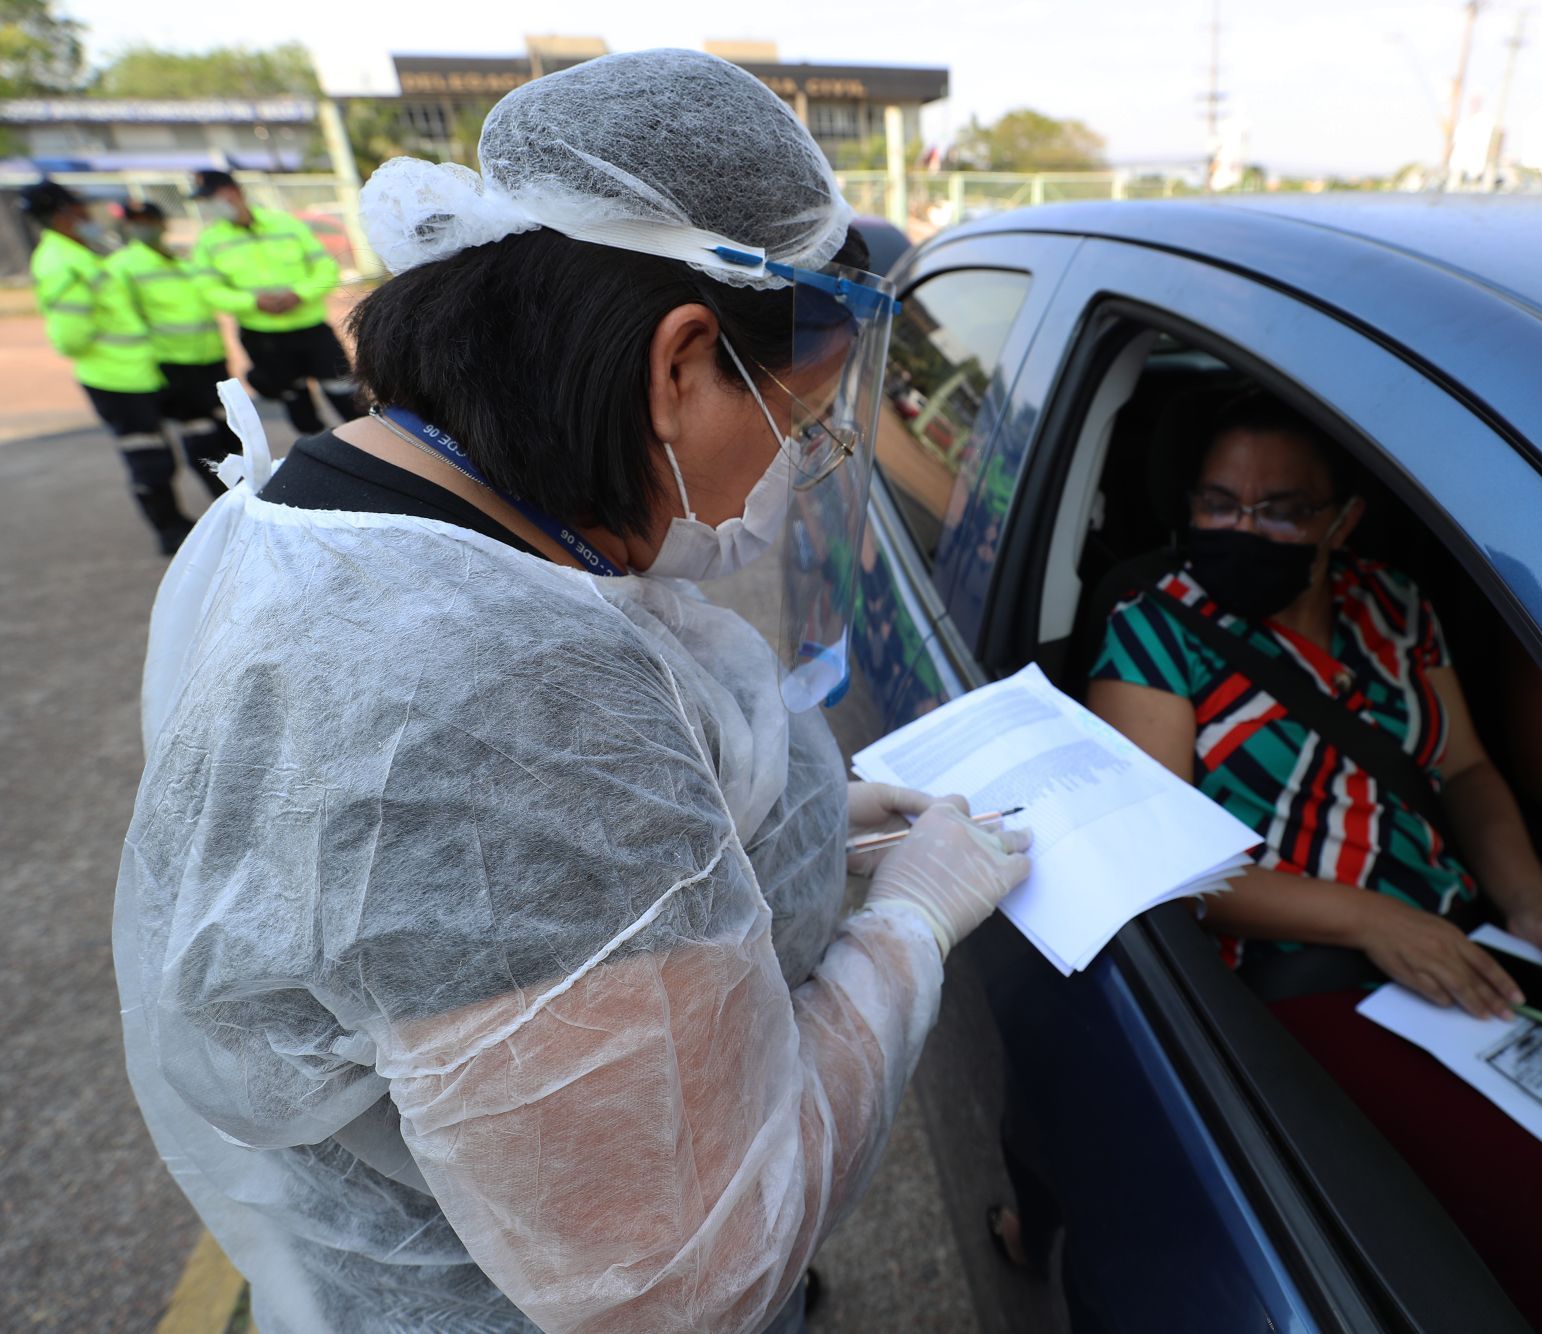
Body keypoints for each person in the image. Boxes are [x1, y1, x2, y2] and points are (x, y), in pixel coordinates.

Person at [116, 50, 1030, 1334]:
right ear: (677, 363)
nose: (798, 462)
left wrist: (768, 823)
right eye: (801, 416)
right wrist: (911, 928)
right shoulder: (497, 696)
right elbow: (685, 1272)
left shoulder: (335, 506)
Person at [1065, 390, 1542, 1333]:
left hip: (1468, 941)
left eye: (1282, 508)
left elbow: (1463, 771)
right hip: (1300, 970)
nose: (1242, 529)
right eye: (1218, 504)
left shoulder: (1392, 605)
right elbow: (1158, 863)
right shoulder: (1153, 627)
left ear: (1342, 520)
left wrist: (1533, 904)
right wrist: (1372, 918)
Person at [23, 180, 193, 552]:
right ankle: (169, 532)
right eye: (80, 209)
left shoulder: (77, 253)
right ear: (62, 214)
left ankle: (174, 524)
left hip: (132, 372)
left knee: (157, 455)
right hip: (114, 377)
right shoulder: (61, 262)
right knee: (148, 458)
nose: (88, 215)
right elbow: (70, 336)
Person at [188, 168, 359, 433]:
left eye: (213, 197)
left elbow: (326, 267)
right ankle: (323, 461)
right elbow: (207, 289)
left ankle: (372, 455)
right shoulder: (210, 241)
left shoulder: (286, 225)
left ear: (233, 192)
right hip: (264, 337)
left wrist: (299, 294)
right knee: (298, 407)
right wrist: (251, 302)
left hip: (311, 329)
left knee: (348, 398)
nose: (210, 206)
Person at [107, 200, 232, 498]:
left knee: (225, 432)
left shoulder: (180, 260)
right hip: (172, 363)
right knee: (199, 436)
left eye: (149, 219)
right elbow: (125, 319)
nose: (144, 226)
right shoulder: (122, 265)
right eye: (136, 221)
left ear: (162, 223)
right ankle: (224, 499)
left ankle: (239, 493)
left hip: (209, 358)